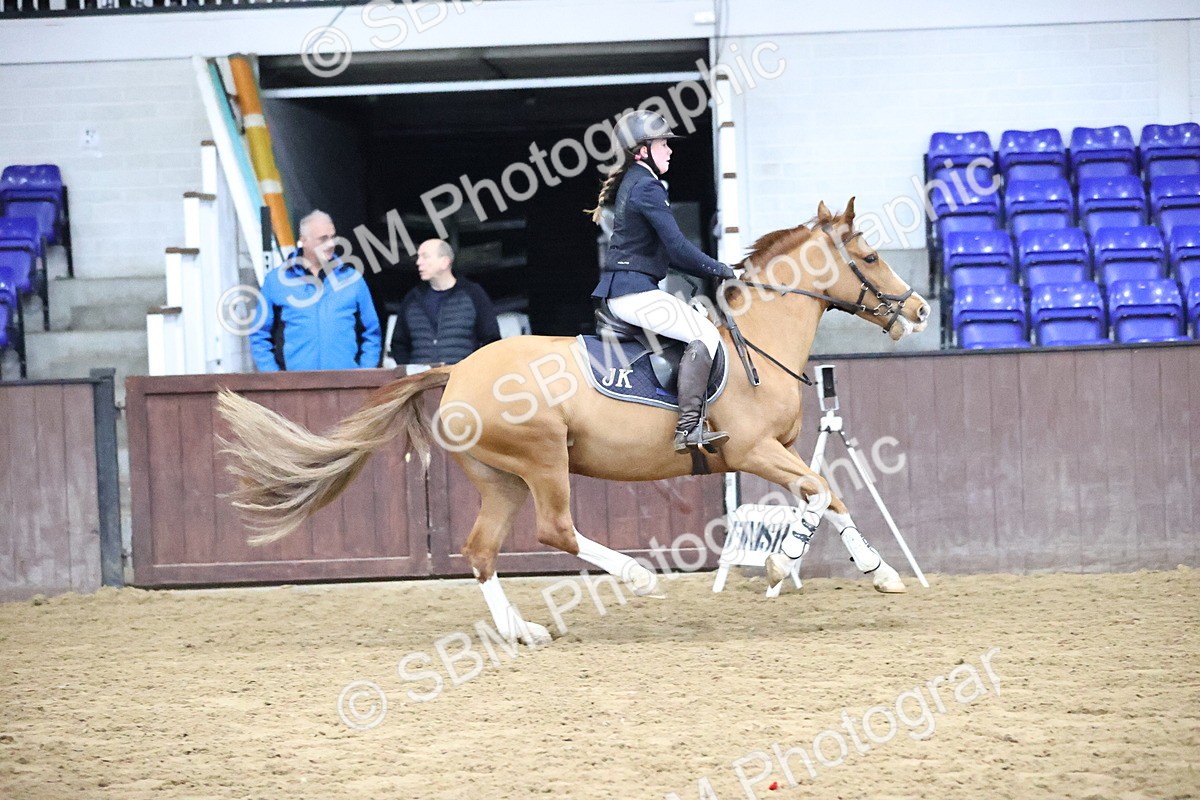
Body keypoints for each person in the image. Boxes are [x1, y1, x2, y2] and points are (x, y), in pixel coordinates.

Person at [589, 109, 737, 454]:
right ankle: (688, 428)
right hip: (633, 293)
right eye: (662, 144)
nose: (670, 150)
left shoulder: (636, 182)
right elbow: (678, 247)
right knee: (705, 334)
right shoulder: (647, 186)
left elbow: (668, 254)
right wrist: (721, 269)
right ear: (642, 151)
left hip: (629, 289)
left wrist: (710, 269)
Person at [249, 210, 382, 372]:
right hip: (293, 384)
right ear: (304, 241)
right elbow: (259, 335)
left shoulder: (352, 280)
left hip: (345, 384)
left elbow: (372, 334)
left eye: (333, 237)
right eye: (323, 239)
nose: (331, 244)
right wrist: (274, 377)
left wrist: (363, 374)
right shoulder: (276, 281)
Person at [389, 239, 501, 366]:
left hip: (462, 376)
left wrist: (473, 370)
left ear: (444, 262)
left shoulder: (473, 294)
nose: (418, 262)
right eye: (418, 257)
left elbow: (491, 340)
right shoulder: (412, 298)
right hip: (421, 378)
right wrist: (411, 371)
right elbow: (399, 343)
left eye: (425, 257)